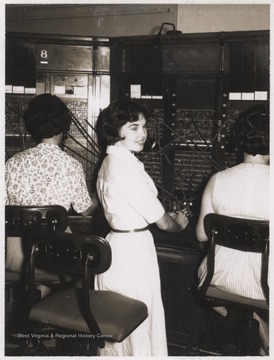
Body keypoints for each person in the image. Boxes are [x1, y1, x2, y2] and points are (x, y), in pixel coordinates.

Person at [95, 98, 189, 356]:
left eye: (145, 126)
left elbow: (131, 206)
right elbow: (164, 223)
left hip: (117, 246)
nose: (143, 134)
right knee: (137, 321)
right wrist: (178, 223)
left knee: (118, 327)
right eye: (134, 127)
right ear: (116, 130)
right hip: (132, 254)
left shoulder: (110, 161)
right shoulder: (126, 167)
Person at [196, 103, 269, 355]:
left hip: (218, 279)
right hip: (266, 286)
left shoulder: (217, 180)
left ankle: (258, 330)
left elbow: (201, 235)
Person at [5, 93, 97, 273]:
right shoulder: (72, 165)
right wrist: (101, 194)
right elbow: (85, 210)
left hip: (17, 257)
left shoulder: (12, 163)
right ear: (64, 126)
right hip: (56, 256)